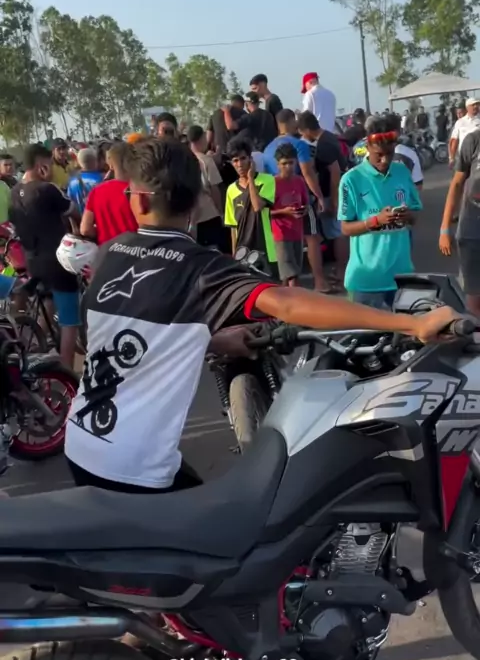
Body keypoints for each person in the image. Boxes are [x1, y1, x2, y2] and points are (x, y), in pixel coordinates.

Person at [64, 136, 459, 493]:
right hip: (134, 469)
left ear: (139, 201)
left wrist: (212, 340)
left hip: (81, 444)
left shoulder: (110, 253)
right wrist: (412, 323)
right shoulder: (198, 265)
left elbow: (122, 336)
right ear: (196, 202)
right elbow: (287, 303)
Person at [338, 114, 423, 309]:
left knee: (406, 328)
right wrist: (376, 221)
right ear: (367, 147)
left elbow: (415, 216)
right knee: (366, 329)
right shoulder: (351, 180)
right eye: (379, 155)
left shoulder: (402, 172)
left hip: (402, 277)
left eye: (390, 153)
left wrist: (408, 216)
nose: (385, 160)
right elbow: (345, 228)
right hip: (367, 282)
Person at [9, 144, 80, 368]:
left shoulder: (14, 192)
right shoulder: (47, 189)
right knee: (70, 321)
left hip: (32, 260)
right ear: (41, 165)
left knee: (47, 301)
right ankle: (68, 373)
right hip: (58, 261)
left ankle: (35, 348)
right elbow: (74, 211)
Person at [263, 108, 327, 290]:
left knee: (287, 258)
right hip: (298, 197)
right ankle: (319, 281)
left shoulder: (268, 148)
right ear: (291, 122)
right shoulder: (299, 145)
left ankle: (286, 291)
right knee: (312, 237)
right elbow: (307, 172)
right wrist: (319, 196)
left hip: (280, 202)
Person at [298, 110, 349, 288]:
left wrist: (334, 201)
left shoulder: (324, 144)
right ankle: (340, 270)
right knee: (334, 232)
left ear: (306, 130)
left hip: (331, 192)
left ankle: (342, 272)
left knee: (337, 232)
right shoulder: (328, 137)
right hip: (333, 192)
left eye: (302, 133)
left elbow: (335, 173)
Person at [439, 126, 480, 316]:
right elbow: (456, 184)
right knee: (473, 302)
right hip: (472, 231)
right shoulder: (473, 140)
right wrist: (444, 229)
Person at [224, 137, 276, 267]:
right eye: (235, 160)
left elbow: (257, 206)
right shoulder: (231, 190)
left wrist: (251, 179)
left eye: (243, 158)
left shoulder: (267, 180)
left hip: (267, 249)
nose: (240, 164)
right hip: (244, 254)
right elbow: (233, 227)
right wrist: (235, 256)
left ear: (250, 159)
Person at [80, 141, 138, 245]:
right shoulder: (139, 191)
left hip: (106, 251)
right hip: (136, 249)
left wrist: (103, 231)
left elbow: (85, 229)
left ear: (110, 165)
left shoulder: (96, 191)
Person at [270, 143, 308, 286]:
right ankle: (295, 298)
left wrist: (303, 210)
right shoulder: (273, 183)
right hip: (281, 234)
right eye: (284, 163)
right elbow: (265, 212)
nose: (288, 167)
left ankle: (285, 298)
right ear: (278, 165)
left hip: (297, 233)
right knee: (291, 275)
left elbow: (305, 203)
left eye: (291, 163)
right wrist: (283, 212)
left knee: (291, 275)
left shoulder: (299, 181)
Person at [188, 125, 230, 253]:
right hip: (209, 215)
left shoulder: (184, 161)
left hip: (190, 219)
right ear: (202, 138)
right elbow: (215, 190)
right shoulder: (206, 161)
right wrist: (221, 213)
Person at [67, 148, 104, 215]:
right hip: (98, 217)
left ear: (79, 162)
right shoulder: (102, 179)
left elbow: (70, 205)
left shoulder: (72, 181)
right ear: (94, 161)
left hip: (81, 218)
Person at [449, 97, 480, 168]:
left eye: (477, 104)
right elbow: (454, 140)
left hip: (477, 158)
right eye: (473, 105)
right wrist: (451, 158)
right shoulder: (460, 122)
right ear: (467, 107)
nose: (476, 106)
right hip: (463, 157)